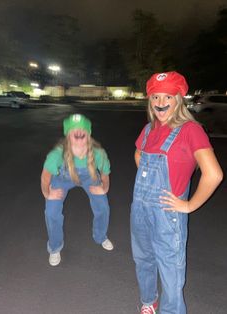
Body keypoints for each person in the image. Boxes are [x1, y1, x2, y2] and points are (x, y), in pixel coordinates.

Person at [130, 71, 223, 314]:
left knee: (170, 269)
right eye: (155, 97)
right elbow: (139, 154)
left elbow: (214, 174)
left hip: (167, 212)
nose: (160, 103)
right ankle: (149, 301)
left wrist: (189, 205)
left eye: (167, 97)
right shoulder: (149, 129)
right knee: (143, 259)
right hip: (139, 208)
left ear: (179, 99)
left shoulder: (191, 130)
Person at [41, 113, 114, 266]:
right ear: (68, 135)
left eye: (82, 129)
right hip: (62, 179)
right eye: (74, 129)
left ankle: (100, 236)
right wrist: (48, 193)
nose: (79, 132)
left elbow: (105, 173)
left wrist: (104, 188)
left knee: (103, 207)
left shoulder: (98, 153)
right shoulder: (57, 155)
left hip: (90, 177)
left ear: (88, 134)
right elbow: (45, 177)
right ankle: (55, 247)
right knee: (51, 212)